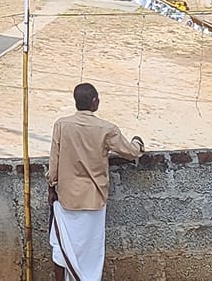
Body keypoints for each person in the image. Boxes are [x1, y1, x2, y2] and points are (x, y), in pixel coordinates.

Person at [48, 83, 144, 281]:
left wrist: (51, 187)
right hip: (94, 199)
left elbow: (54, 162)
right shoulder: (106, 129)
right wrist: (138, 142)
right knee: (91, 252)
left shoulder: (61, 125)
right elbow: (130, 152)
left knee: (61, 245)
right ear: (94, 102)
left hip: (67, 198)